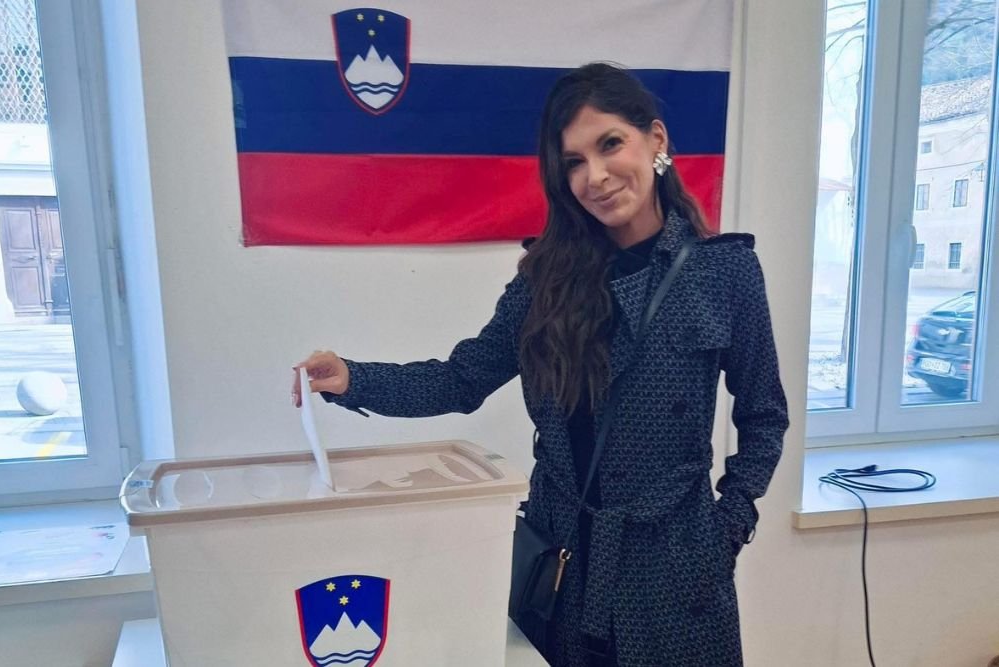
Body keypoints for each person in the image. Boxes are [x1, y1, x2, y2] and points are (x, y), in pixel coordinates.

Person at [292, 63, 788, 667]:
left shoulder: (724, 272)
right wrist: (354, 378)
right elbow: (462, 379)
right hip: (562, 565)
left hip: (675, 567)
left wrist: (727, 528)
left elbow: (764, 416)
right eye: (574, 162)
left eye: (610, 144)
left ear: (655, 139)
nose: (595, 176)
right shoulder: (544, 281)